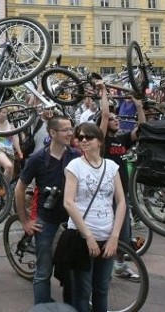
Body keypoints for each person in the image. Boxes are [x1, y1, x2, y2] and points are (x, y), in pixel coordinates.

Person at [14, 113, 79, 304]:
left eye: (70, 129)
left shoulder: (75, 156)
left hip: (70, 221)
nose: (70, 133)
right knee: (43, 271)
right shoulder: (37, 158)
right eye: (65, 129)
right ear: (52, 132)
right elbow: (19, 189)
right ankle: (41, 307)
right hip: (46, 221)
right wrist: (25, 220)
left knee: (69, 267)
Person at [62, 121, 125, 312]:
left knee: (102, 288)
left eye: (88, 137)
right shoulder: (75, 166)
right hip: (82, 236)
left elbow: (121, 201)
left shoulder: (111, 166)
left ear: (99, 141)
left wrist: (114, 237)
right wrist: (88, 237)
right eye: (79, 137)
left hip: (107, 236)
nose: (83, 140)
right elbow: (68, 202)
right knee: (82, 290)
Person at [98, 82, 144, 281]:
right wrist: (103, 92)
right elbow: (106, 114)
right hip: (106, 195)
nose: (116, 120)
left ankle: (120, 265)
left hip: (121, 194)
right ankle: (102, 269)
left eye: (118, 118)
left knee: (123, 234)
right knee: (105, 232)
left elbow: (141, 129)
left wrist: (139, 106)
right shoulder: (101, 142)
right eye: (113, 119)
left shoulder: (123, 139)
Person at [0, 105, 23, 183]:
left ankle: (4, 192)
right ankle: (3, 188)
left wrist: (19, 151)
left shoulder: (10, 125)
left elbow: (15, 139)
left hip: (10, 151)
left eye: (7, 113)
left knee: (9, 175)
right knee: (9, 166)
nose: (6, 114)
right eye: (4, 112)